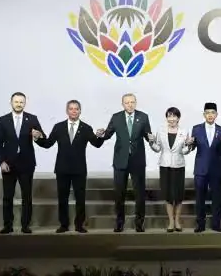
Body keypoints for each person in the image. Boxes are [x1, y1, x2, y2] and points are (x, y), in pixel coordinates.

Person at [34, 99, 104, 233]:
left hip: (79, 169)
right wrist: (37, 138)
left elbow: (96, 144)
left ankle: (79, 225)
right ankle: (64, 225)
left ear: (80, 111)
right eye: (71, 109)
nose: (74, 111)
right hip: (62, 168)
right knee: (63, 198)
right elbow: (48, 144)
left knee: (80, 198)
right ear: (67, 111)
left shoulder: (86, 128)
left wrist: (100, 136)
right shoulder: (58, 127)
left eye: (76, 109)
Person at [96, 93, 152, 233]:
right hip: (120, 161)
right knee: (119, 194)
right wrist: (101, 134)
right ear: (122, 104)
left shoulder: (143, 117)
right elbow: (108, 134)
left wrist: (152, 139)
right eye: (127, 102)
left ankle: (139, 223)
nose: (130, 105)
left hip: (138, 161)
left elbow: (148, 135)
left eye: (132, 102)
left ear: (136, 103)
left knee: (139, 194)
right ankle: (119, 222)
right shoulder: (116, 117)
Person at [0, 92, 45, 234]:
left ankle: (25, 225)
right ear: (11, 103)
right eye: (16, 102)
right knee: (7, 196)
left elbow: (43, 138)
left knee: (27, 196)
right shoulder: (3, 120)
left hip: (26, 164)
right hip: (8, 164)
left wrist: (38, 136)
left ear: (25, 103)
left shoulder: (32, 119)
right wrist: (1, 161)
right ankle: (7, 225)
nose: (18, 104)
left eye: (21, 102)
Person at [149, 107, 193, 233]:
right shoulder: (161, 130)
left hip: (178, 166)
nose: (172, 119)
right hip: (165, 166)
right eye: (169, 116)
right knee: (168, 195)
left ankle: (177, 221)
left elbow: (184, 151)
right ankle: (171, 222)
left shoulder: (184, 131)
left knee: (178, 195)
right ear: (166, 118)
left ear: (178, 118)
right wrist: (151, 142)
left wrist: (189, 145)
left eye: (174, 116)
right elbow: (158, 148)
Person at [189, 102, 221, 233]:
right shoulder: (196, 129)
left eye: (212, 113)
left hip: (216, 170)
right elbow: (192, 147)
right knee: (200, 198)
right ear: (204, 114)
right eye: (207, 113)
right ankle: (200, 224)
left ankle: (216, 224)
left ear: (216, 115)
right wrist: (188, 144)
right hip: (200, 169)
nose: (210, 115)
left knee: (217, 198)